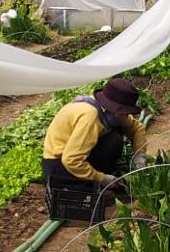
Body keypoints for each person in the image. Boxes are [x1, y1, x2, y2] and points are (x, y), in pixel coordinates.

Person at [41, 77, 148, 207]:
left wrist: (139, 155)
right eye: (124, 113)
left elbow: (136, 128)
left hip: (76, 157)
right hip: (59, 166)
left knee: (114, 138)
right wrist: (102, 178)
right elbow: (72, 160)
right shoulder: (89, 116)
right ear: (114, 108)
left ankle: (96, 185)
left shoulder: (108, 112)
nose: (126, 116)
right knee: (113, 141)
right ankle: (91, 187)